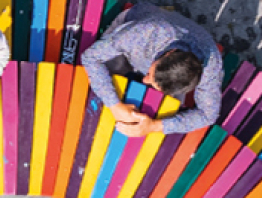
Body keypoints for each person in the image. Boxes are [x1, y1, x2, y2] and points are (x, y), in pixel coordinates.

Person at [79, 2, 224, 137]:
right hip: (131, 35)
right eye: (149, 74)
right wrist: (114, 105)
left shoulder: (211, 68)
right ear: (168, 53)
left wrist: (155, 126)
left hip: (156, 40)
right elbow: (91, 57)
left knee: (167, 110)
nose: (144, 80)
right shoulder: (143, 34)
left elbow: (208, 115)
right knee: (95, 88)